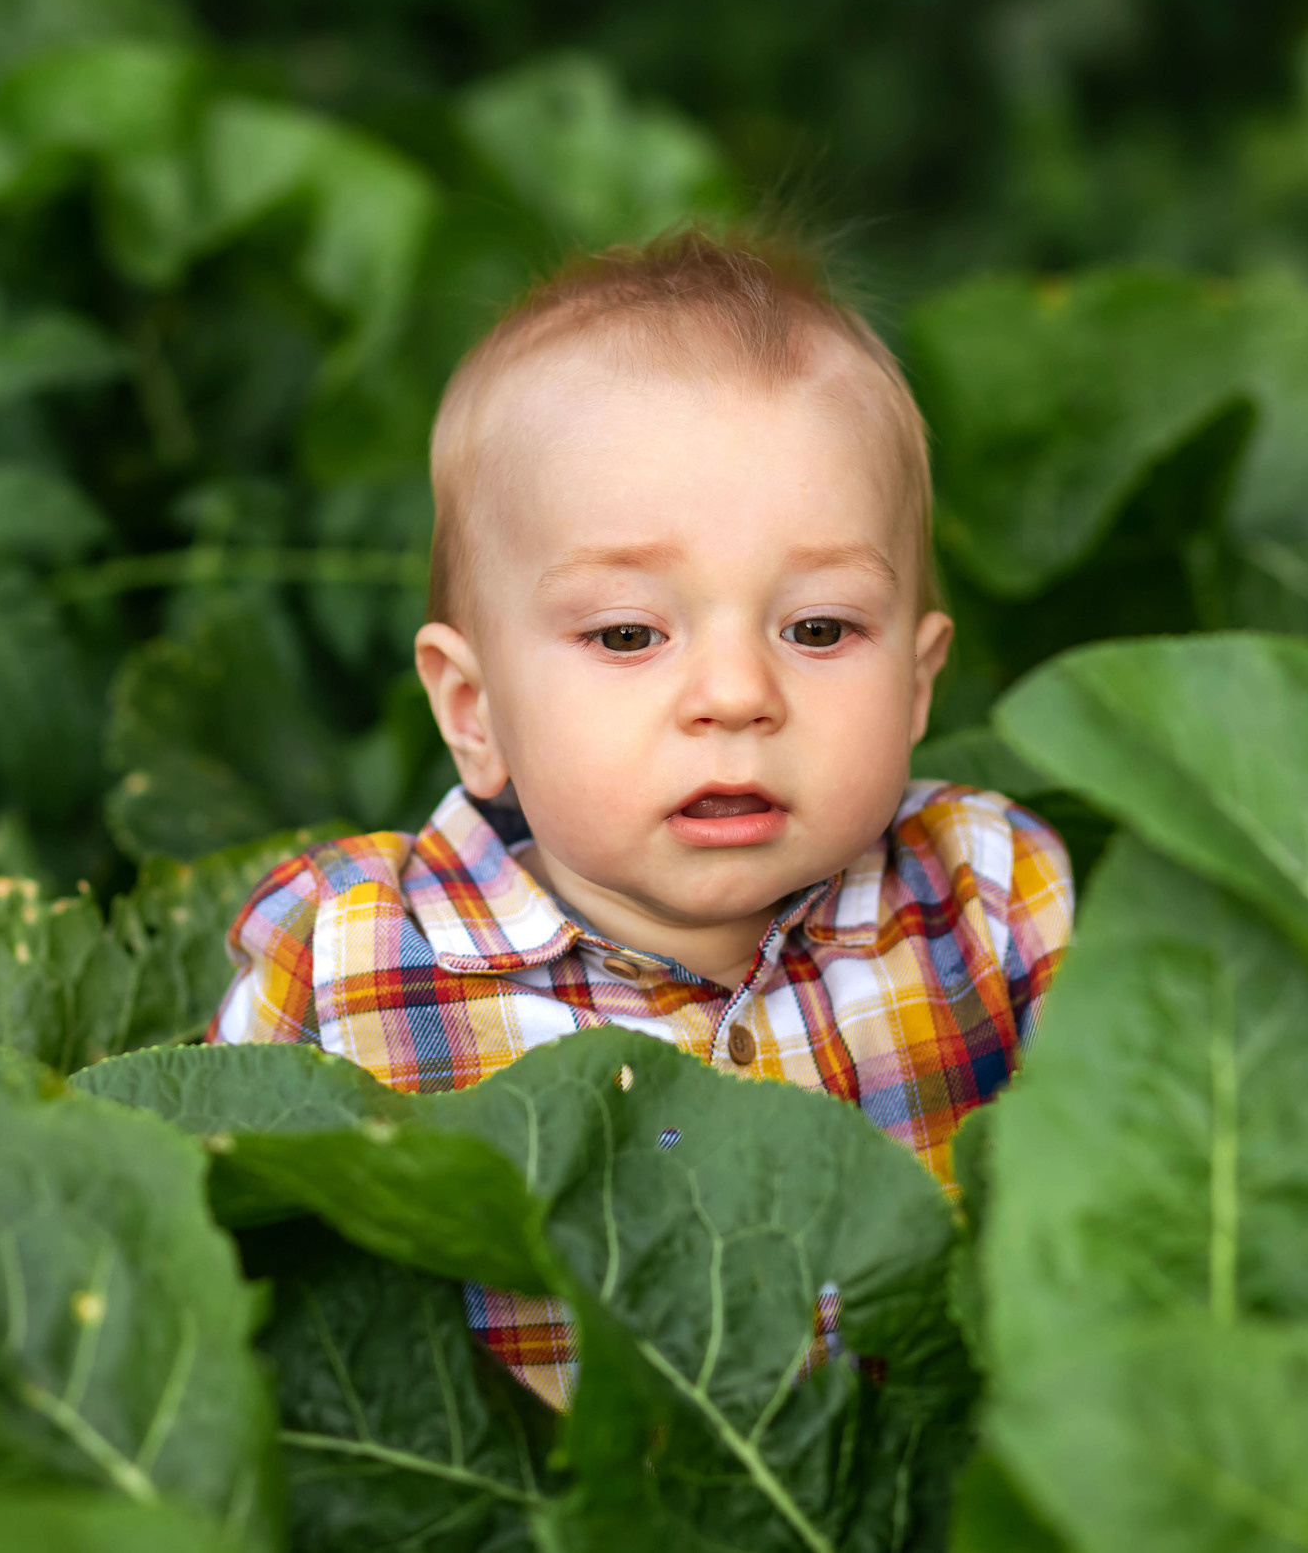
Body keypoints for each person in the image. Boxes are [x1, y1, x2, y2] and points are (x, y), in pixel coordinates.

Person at [207, 228, 1074, 1410]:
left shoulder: (989, 897)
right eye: (627, 634)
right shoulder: (349, 966)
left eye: (818, 629)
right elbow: (210, 1291)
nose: (736, 695)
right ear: (473, 710)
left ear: (918, 685)